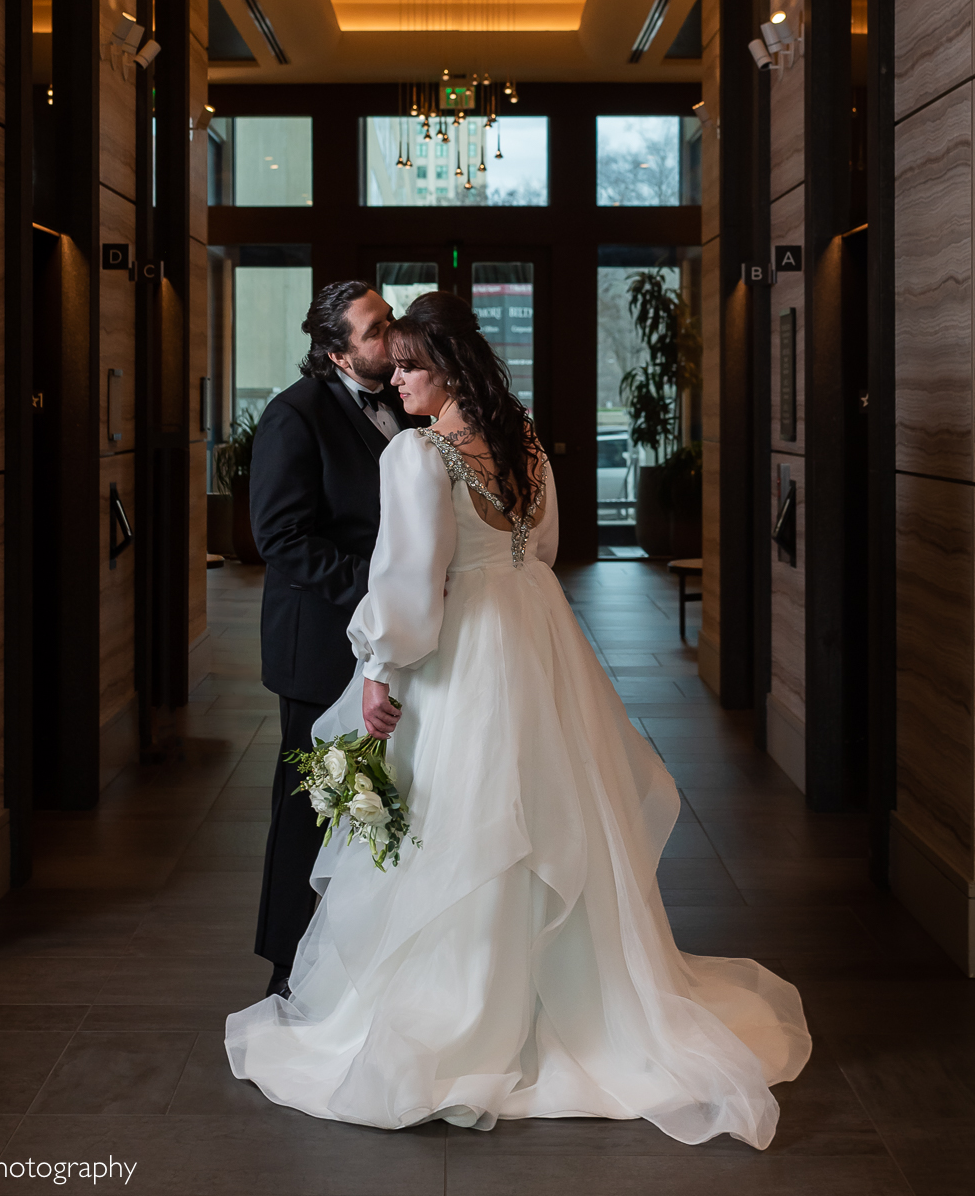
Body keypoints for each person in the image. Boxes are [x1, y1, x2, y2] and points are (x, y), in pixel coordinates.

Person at [228, 291, 811, 1144]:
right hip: (539, 648)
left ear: (448, 367)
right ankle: (563, 998)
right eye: (391, 361)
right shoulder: (527, 442)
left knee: (459, 817)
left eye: (411, 365)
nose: (398, 376)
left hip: (465, 654)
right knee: (547, 807)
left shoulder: (420, 458)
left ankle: (466, 1014)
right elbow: (539, 553)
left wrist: (381, 672)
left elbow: (409, 589)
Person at [248, 280, 421, 1000]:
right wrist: (378, 585)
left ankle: (356, 955)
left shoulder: (404, 407)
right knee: (309, 806)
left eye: (388, 319)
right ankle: (287, 966)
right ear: (336, 351)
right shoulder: (295, 416)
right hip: (319, 643)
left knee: (375, 799)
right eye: (376, 328)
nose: (393, 333)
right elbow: (280, 538)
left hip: (383, 641)